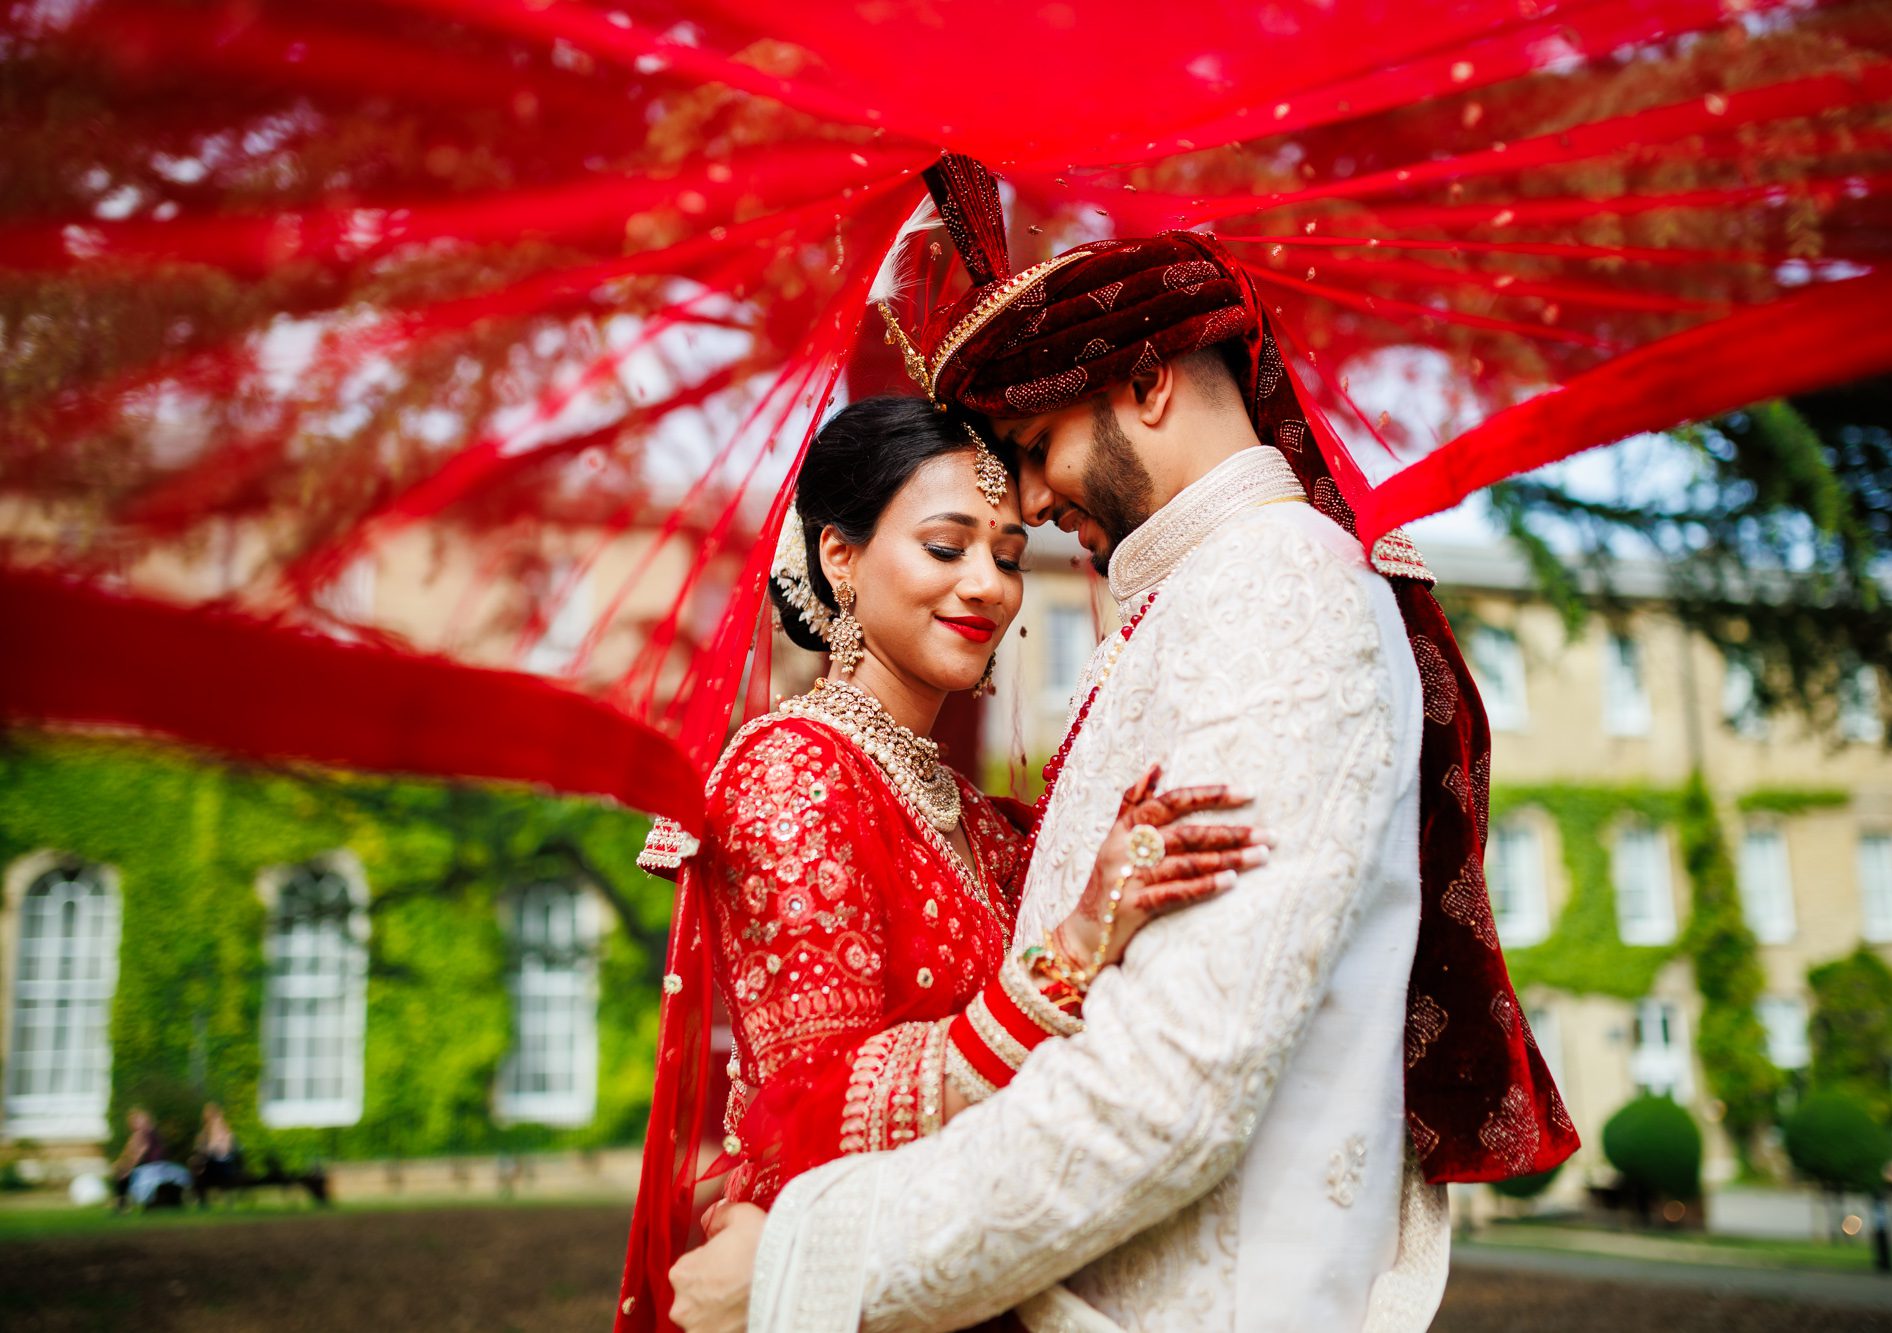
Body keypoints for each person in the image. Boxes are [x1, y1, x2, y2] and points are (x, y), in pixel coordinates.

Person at [666, 157, 1576, 1333]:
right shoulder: (1199, 598)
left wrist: (810, 1261)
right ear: (838, 557)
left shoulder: (1271, 591)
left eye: (1036, 447)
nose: (1029, 515)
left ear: (1145, 381)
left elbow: (1172, 1087)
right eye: (955, 534)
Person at [611, 394, 1269, 1328]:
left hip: (973, 1272)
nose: (988, 588)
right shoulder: (788, 772)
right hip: (824, 1279)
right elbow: (812, 1111)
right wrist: (1076, 947)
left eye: (1007, 557)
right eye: (946, 546)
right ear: (840, 556)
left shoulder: (980, 821)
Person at [110, 1106, 164, 1211]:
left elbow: (140, 1155)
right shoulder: (135, 1136)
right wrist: (120, 1163)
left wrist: (128, 1168)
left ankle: (123, 1203)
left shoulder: (147, 1134)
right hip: (142, 1164)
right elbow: (127, 1154)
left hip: (150, 1164)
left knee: (124, 1176)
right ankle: (121, 1202)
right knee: (120, 1173)